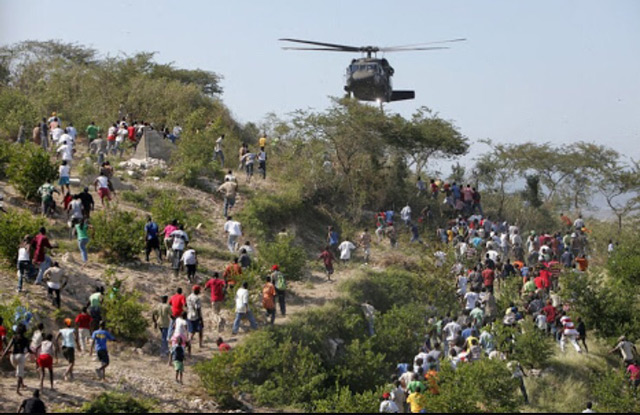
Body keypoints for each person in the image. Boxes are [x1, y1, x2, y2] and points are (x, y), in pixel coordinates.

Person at [1, 323, 31, 395]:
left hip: (13, 357)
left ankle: (22, 384)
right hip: (20, 356)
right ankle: (17, 390)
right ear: (24, 331)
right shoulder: (26, 339)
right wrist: (34, 353)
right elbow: (29, 350)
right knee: (19, 373)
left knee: (19, 370)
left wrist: (2, 356)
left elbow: (8, 347)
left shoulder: (14, 337)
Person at [187, 286, 204, 351]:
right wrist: (200, 318)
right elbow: (198, 308)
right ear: (197, 291)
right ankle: (200, 344)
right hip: (196, 316)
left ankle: (189, 342)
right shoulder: (197, 298)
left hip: (189, 315)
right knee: (200, 330)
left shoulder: (189, 297)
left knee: (191, 331)